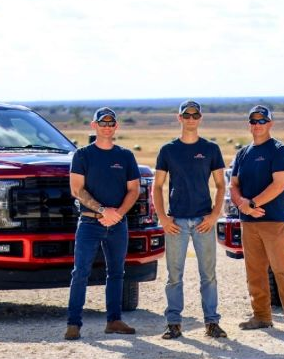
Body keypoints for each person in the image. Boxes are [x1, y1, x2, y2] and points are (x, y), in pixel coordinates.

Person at [153, 100, 227, 339]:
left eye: (195, 115)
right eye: (187, 115)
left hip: (204, 221)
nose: (191, 119)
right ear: (180, 118)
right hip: (176, 223)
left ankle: (212, 323)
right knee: (174, 276)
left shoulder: (211, 149)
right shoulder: (168, 150)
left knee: (209, 276)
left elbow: (220, 185)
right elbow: (157, 187)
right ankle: (173, 323)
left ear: (200, 118)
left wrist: (215, 215)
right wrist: (163, 218)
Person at [65, 107, 140, 340]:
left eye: (111, 123)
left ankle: (114, 321)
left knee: (117, 272)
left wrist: (117, 214)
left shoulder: (126, 156)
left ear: (115, 127)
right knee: (81, 272)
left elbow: (134, 190)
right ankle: (73, 324)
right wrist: (101, 210)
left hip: (118, 224)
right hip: (89, 223)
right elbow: (77, 189)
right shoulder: (83, 155)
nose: (107, 127)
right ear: (94, 125)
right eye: (102, 123)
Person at [230, 105, 284, 334]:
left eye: (262, 121)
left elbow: (279, 185)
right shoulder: (242, 153)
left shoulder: (279, 151)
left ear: (270, 124)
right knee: (254, 271)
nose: (257, 125)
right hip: (248, 222)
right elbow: (234, 186)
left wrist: (252, 205)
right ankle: (261, 316)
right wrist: (244, 205)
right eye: (253, 121)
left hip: (273, 221)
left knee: (281, 269)